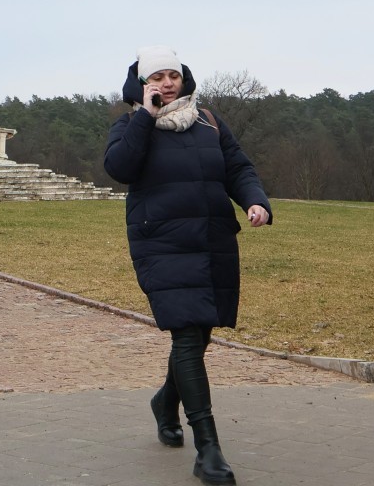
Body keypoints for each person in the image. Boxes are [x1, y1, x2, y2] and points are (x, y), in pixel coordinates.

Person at [104, 46, 272, 486]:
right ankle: (209, 449)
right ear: (142, 85)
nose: (165, 83)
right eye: (155, 77)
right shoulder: (129, 125)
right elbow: (119, 168)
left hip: (212, 239)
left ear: (184, 79)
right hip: (161, 243)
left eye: (171, 75)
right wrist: (144, 116)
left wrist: (255, 201)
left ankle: (165, 403)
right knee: (186, 332)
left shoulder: (208, 122)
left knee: (200, 334)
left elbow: (238, 168)